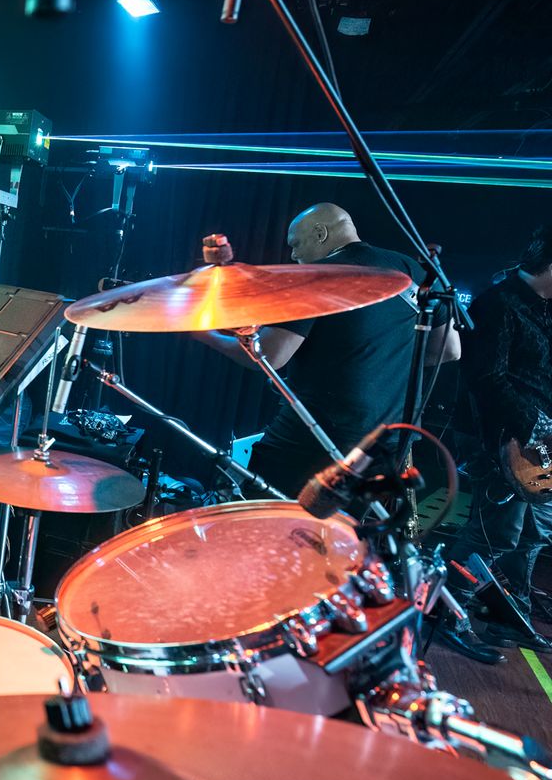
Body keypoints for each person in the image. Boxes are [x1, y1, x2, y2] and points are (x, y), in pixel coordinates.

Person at [196, 204, 459, 495]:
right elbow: (450, 349)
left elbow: (269, 355)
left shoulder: (315, 276)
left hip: (318, 435)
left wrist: (201, 332)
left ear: (320, 233)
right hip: (391, 439)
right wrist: (381, 363)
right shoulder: (413, 270)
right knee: (345, 523)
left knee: (263, 510)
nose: (293, 255)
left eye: (296, 244)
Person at [446, 225, 552, 647]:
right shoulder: (499, 304)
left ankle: (510, 616)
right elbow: (486, 379)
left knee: (532, 534)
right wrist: (536, 426)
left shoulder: (545, 308)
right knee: (494, 533)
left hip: (538, 442)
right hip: (497, 437)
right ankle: (447, 611)